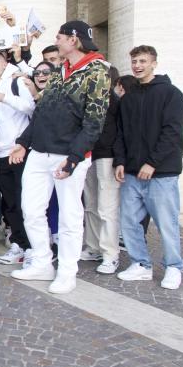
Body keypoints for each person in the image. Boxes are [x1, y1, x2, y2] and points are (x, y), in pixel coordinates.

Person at [9, 20, 110, 294]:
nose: (57, 41)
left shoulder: (98, 70)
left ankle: (67, 272)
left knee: (69, 216)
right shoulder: (60, 70)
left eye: (60, 37)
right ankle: (42, 262)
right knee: (31, 210)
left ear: (74, 39)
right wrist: (22, 143)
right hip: (39, 152)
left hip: (69, 155)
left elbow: (94, 121)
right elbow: (42, 111)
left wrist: (75, 157)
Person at [115, 45, 183, 290]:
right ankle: (140, 264)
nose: (137, 65)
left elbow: (172, 133)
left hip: (161, 174)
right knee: (128, 221)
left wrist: (152, 163)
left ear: (154, 63)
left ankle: (174, 267)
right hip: (132, 173)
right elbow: (121, 134)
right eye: (134, 61)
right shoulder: (129, 98)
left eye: (143, 61)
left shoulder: (172, 94)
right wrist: (120, 162)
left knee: (167, 223)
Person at [0, 50, 36, 264]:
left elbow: (31, 107)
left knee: (24, 202)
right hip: (1, 150)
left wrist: (4, 98)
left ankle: (31, 247)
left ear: (4, 64)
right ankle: (19, 244)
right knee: (10, 202)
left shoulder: (16, 81)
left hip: (19, 150)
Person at [79, 65, 122, 274]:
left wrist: (119, 159)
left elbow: (121, 130)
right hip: (88, 154)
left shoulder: (114, 100)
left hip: (108, 156)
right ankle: (93, 246)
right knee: (90, 204)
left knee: (107, 208)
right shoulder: (87, 97)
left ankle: (110, 254)